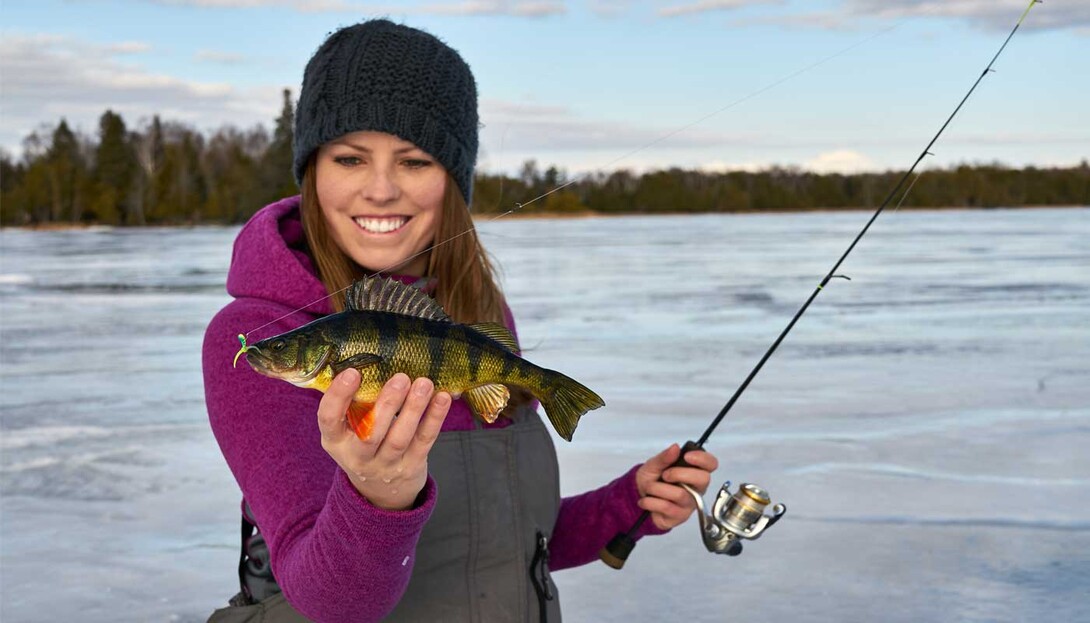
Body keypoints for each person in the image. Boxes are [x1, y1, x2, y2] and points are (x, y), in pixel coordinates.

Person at [202, 18, 720, 623]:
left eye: (415, 160)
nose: (380, 189)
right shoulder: (259, 338)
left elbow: (498, 549)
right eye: (349, 157)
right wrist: (380, 495)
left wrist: (624, 505)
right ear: (313, 168)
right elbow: (330, 603)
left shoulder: (474, 313)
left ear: (452, 177)